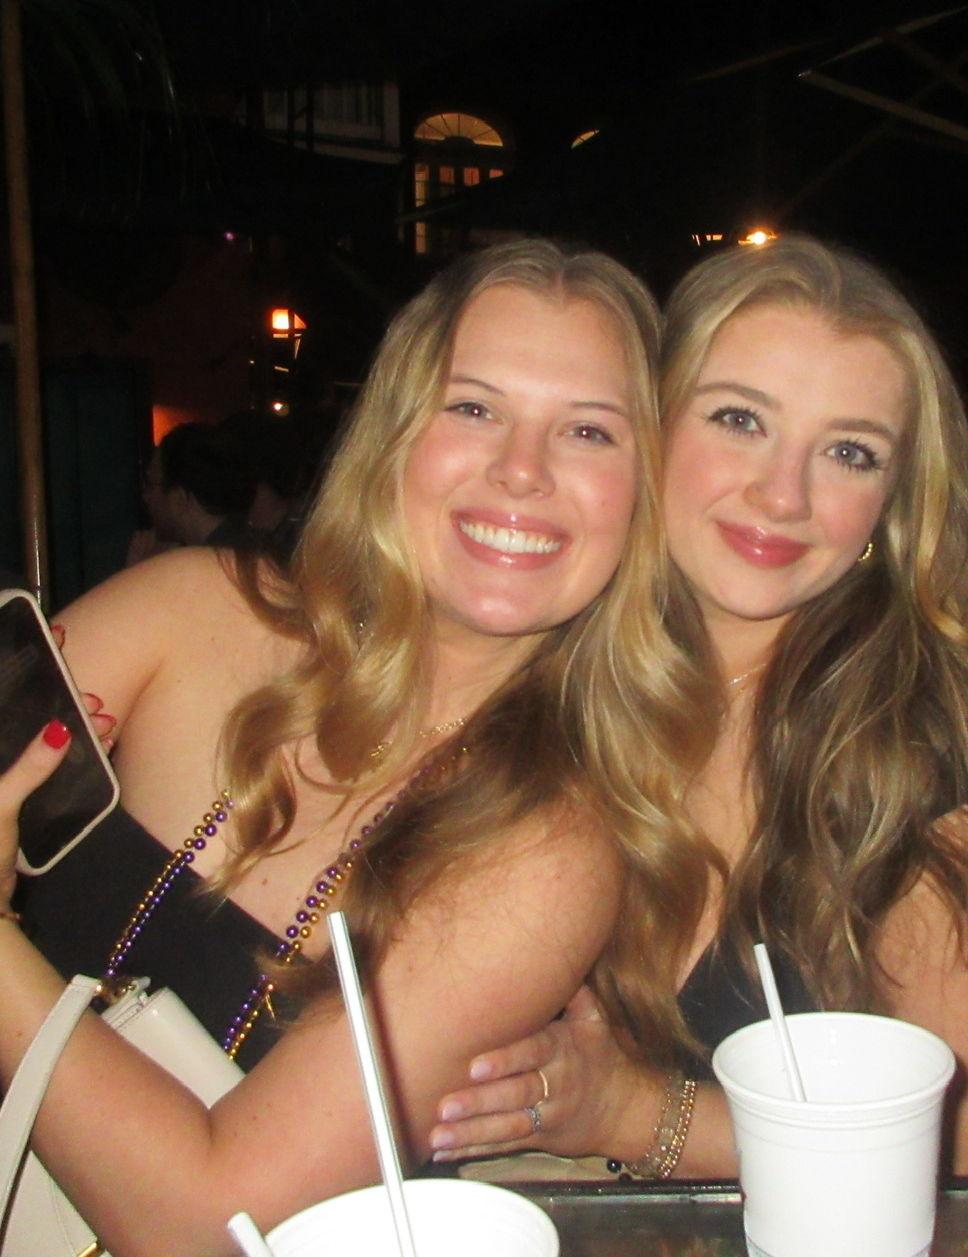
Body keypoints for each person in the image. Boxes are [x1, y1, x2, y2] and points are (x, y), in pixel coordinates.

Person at [1, 239, 714, 1254]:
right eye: (473, 408)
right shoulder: (185, 609)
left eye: (589, 431)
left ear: (642, 492)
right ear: (393, 433)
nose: (522, 470)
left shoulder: (550, 849)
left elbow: (209, 1223)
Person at [428, 236, 968, 1178]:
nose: (783, 494)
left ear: (893, 508)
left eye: (850, 452)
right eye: (739, 419)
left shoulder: (913, 780)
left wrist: (635, 1112)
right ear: (647, 428)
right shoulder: (535, 688)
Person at [126, 421, 258, 564]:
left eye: (151, 485)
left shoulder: (212, 563)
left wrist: (143, 570)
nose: (146, 497)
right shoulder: (251, 545)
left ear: (179, 498)